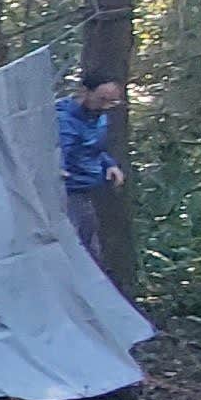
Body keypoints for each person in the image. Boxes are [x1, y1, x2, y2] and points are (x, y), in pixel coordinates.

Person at [58, 75, 129, 279]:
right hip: (65, 193)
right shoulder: (62, 117)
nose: (107, 106)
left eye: (112, 101)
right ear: (85, 92)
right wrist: (58, 169)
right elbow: (54, 149)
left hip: (86, 190)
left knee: (90, 245)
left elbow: (95, 149)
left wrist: (110, 165)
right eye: (102, 99)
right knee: (75, 247)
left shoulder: (99, 116)